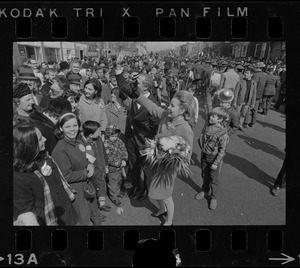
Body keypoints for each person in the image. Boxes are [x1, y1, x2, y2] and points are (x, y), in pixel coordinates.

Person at [135, 90, 196, 225]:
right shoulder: (165, 115)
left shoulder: (185, 129)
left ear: (182, 110)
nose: (168, 107)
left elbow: (187, 155)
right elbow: (152, 107)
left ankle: (169, 219)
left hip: (168, 169)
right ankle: (162, 209)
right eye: (169, 104)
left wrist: (172, 156)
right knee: (154, 189)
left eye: (172, 106)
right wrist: (138, 96)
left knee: (166, 195)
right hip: (156, 162)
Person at [13, 124, 78, 226]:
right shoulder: (19, 177)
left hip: (65, 214)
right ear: (29, 145)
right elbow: (27, 213)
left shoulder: (46, 158)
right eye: (39, 139)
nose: (45, 139)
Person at [52, 113, 103, 225]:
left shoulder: (79, 141)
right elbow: (65, 176)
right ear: (61, 128)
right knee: (83, 221)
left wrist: (90, 163)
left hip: (88, 187)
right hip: (77, 193)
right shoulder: (60, 149)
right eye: (68, 127)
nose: (72, 130)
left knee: (95, 216)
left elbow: (86, 158)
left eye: (74, 126)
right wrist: (86, 173)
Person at [125, 74, 160, 201]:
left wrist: (148, 140)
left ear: (145, 87)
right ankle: (136, 187)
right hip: (131, 138)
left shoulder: (153, 103)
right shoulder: (136, 95)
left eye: (138, 83)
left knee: (145, 169)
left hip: (144, 142)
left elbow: (155, 126)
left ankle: (144, 189)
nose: (135, 84)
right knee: (133, 165)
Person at [195, 107, 229, 210]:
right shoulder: (208, 126)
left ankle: (213, 198)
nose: (211, 117)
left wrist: (216, 163)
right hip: (204, 155)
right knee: (205, 174)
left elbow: (222, 151)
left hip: (214, 158)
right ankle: (205, 191)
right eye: (211, 115)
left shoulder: (223, 134)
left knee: (214, 179)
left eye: (214, 116)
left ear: (220, 120)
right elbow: (203, 137)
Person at [80, 121, 112, 213]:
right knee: (92, 189)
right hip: (92, 171)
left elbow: (104, 153)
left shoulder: (98, 140)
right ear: (90, 135)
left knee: (101, 185)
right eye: (98, 132)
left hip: (101, 168)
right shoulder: (82, 144)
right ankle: (95, 211)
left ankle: (101, 205)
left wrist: (106, 165)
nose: (100, 133)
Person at [103, 124, 128, 207]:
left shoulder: (119, 141)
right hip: (112, 168)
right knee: (113, 183)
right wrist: (118, 162)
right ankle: (113, 196)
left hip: (120, 167)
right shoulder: (105, 144)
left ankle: (117, 192)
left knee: (119, 180)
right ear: (107, 134)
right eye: (112, 136)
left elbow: (124, 150)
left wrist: (124, 159)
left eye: (116, 136)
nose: (114, 138)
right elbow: (107, 158)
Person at [245, 62, 267, 127]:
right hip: (259, 94)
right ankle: (253, 121)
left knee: (248, 108)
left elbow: (253, 85)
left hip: (253, 94)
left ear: (257, 67)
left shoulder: (256, 75)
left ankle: (246, 121)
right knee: (255, 109)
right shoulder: (264, 75)